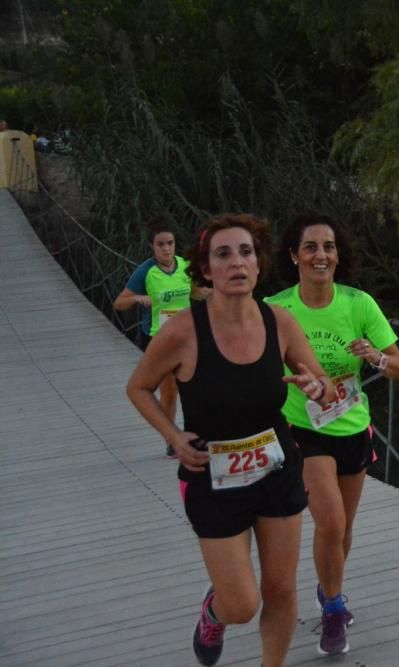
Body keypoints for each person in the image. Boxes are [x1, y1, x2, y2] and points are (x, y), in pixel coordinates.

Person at [126, 213, 339, 667]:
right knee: (241, 604)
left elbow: (323, 383)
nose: (237, 263)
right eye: (223, 254)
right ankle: (214, 611)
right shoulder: (183, 330)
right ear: (206, 269)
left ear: (259, 266)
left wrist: (317, 387)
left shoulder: (279, 322)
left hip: (277, 468)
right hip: (211, 475)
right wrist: (173, 435)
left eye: (246, 253)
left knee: (280, 589)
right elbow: (138, 387)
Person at [265, 213, 399, 655]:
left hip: (352, 426)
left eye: (328, 247)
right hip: (303, 429)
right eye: (310, 247)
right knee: (331, 521)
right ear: (294, 256)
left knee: (343, 532)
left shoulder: (358, 303)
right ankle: (333, 613)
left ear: (337, 255)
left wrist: (375, 358)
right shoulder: (275, 308)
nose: (320, 255)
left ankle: (329, 591)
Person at [114, 217, 198, 457]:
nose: (166, 248)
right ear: (152, 246)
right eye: (160, 244)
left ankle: (196, 433)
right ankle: (173, 440)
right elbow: (119, 303)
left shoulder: (184, 265)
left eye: (170, 243)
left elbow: (195, 292)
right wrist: (137, 299)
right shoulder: (145, 272)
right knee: (169, 391)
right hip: (158, 339)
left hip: (187, 337)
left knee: (195, 386)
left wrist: (216, 294)